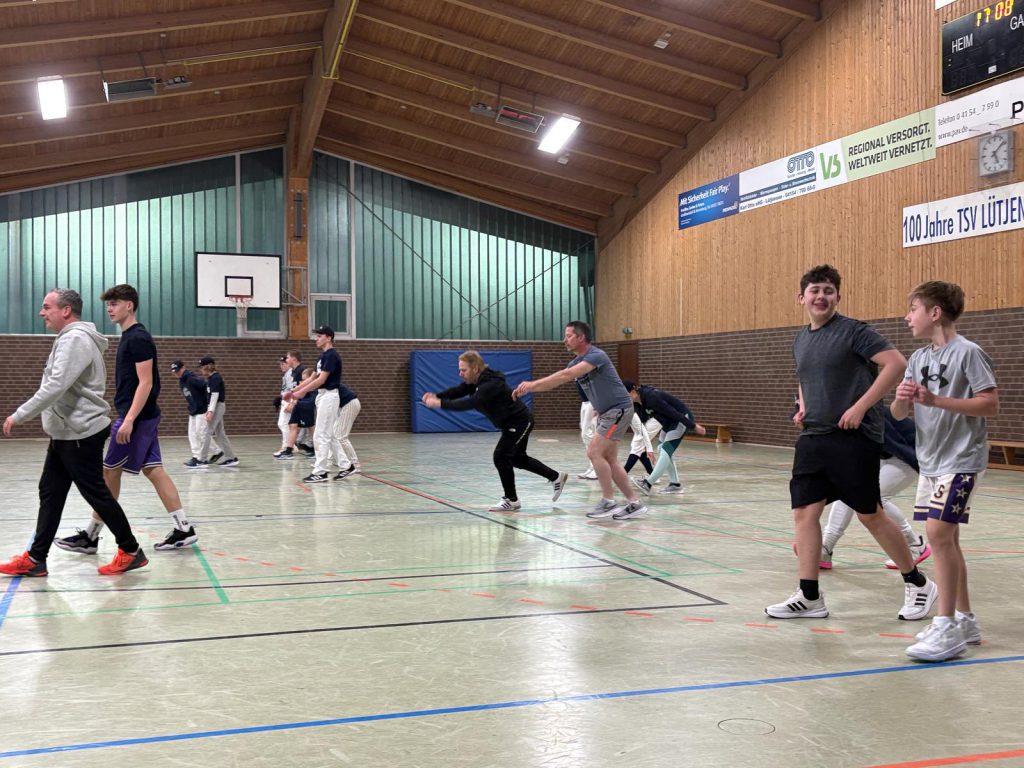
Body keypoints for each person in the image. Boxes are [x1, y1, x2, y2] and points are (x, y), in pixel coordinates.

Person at [765, 264, 936, 622]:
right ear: (801, 298)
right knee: (804, 513)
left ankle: (918, 583)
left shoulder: (854, 331)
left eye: (828, 291)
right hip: (813, 436)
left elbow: (896, 363)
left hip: (853, 438)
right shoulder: (801, 339)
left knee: (869, 514)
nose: (821, 296)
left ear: (838, 297)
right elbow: (804, 377)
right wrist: (804, 405)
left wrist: (860, 407)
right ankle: (809, 596)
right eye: (814, 290)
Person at [0, 289, 148, 576]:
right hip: (65, 431)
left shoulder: (76, 339)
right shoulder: (70, 338)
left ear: (66, 310)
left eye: (47, 307)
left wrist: (20, 415)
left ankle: (131, 550)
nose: (42, 313)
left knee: (96, 493)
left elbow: (56, 385)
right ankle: (36, 558)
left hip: (80, 432)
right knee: (51, 492)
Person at [896, 281, 998, 662]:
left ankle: (946, 626)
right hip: (931, 462)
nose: (907, 317)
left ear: (935, 313)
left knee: (937, 533)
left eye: (913, 309)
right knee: (948, 539)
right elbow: (899, 413)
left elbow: (990, 404)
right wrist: (902, 402)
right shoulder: (917, 359)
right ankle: (965, 620)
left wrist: (937, 400)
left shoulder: (968, 353)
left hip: (962, 459)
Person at [54, 283, 198, 554]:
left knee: (109, 472)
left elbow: (146, 382)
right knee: (154, 470)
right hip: (143, 417)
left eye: (115, 303)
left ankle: (91, 536)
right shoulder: (129, 336)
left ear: (129, 306)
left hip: (137, 419)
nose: (110, 309)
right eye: (108, 304)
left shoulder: (138, 338)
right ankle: (183, 528)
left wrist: (129, 419)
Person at [512, 320, 646, 520]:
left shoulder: (596, 355)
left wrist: (531, 384)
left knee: (594, 452)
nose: (564, 340)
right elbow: (556, 382)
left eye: (569, 336)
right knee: (610, 459)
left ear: (581, 337)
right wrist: (529, 389)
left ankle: (609, 501)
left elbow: (565, 375)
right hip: (608, 413)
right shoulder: (574, 363)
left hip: (618, 410)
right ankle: (634, 503)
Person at [423, 351, 568, 511]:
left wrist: (439, 403)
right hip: (511, 424)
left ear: (475, 369)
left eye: (463, 370)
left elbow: (469, 403)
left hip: (519, 422)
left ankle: (511, 500)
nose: (460, 373)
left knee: (501, 456)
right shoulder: (475, 381)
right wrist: (437, 395)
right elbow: (458, 391)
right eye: (460, 370)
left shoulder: (489, 385)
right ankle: (556, 477)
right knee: (517, 459)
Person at [816, 410, 930, 569]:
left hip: (908, 455)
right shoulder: (836, 414)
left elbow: (899, 446)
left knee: (876, 498)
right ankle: (826, 548)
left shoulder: (867, 414)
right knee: (847, 492)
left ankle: (915, 545)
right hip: (885, 455)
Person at [285, 325, 355, 483]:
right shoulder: (322, 356)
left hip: (329, 396)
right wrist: (293, 390)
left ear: (328, 338)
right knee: (329, 435)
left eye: (319, 336)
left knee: (320, 435)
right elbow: (312, 378)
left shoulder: (332, 355)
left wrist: (301, 393)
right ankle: (346, 465)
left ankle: (320, 471)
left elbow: (322, 380)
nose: (316, 339)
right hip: (323, 396)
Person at [626, 381, 706, 496]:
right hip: (668, 422)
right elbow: (644, 419)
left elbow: (673, 412)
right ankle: (675, 484)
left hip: (680, 419)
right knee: (660, 448)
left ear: (633, 391)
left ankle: (648, 484)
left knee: (665, 450)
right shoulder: (641, 402)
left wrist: (693, 426)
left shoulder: (651, 397)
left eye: (626, 394)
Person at [171, 359, 219, 469]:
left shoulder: (191, 378)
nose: (176, 373)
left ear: (183, 368)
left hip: (202, 409)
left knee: (200, 433)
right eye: (174, 372)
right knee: (192, 434)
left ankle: (200, 457)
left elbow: (206, 387)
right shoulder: (181, 380)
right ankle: (204, 454)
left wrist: (208, 407)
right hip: (193, 410)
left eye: (178, 371)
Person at [198, 356, 238, 467]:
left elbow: (215, 395)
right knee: (220, 434)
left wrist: (210, 411)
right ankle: (231, 458)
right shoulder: (211, 378)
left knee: (206, 432)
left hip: (216, 406)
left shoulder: (215, 378)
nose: (200, 369)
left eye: (202, 367)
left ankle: (202, 459)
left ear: (208, 366)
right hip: (215, 406)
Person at [274, 352, 307, 459]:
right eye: (280, 364)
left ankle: (288, 446)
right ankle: (290, 446)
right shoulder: (288, 374)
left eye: (284, 363)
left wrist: (292, 402)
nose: (281, 366)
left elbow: (295, 389)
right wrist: (280, 398)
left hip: (291, 400)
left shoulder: (292, 373)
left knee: (284, 424)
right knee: (286, 424)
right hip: (288, 400)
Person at [576, 383, 598, 480]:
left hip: (592, 402)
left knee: (587, 435)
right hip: (585, 402)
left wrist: (597, 405)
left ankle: (597, 468)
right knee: (585, 435)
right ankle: (592, 467)